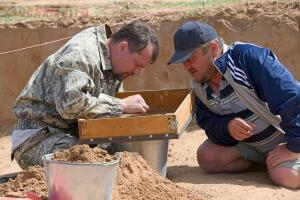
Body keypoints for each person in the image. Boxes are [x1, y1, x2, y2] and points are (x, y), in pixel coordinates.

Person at [168, 21, 300, 189]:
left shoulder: (248, 59)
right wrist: (227, 127)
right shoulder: (199, 82)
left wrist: (293, 147)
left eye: (190, 58)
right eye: (182, 61)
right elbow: (207, 122)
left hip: (289, 139)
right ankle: (268, 163)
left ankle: (284, 163)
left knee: (285, 177)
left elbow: (292, 98)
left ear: (213, 49)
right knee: (206, 157)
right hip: (256, 148)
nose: (186, 66)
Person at [11, 20, 159, 169]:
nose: (137, 73)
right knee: (95, 164)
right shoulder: (81, 54)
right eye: (137, 64)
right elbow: (70, 105)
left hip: (73, 135)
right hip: (37, 138)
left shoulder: (115, 65)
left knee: (125, 157)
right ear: (123, 48)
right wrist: (121, 105)